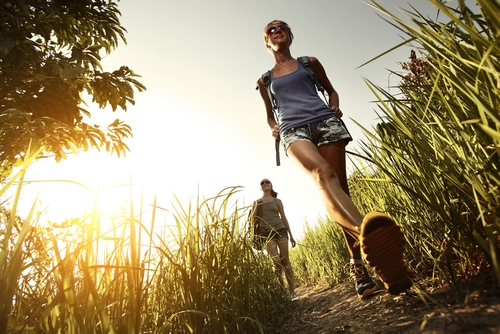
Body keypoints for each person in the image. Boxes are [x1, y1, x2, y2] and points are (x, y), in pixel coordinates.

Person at [256, 20, 413, 300]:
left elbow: (331, 90)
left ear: (290, 36)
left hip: (326, 122)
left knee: (341, 189)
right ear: (266, 43)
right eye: (271, 30)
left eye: (282, 28)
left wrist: (334, 104)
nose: (277, 31)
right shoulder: (265, 81)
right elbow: (270, 113)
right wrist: (273, 126)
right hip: (293, 130)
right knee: (322, 174)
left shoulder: (309, 62)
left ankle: (361, 272)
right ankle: (368, 234)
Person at [250, 178, 299, 302]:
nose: (265, 184)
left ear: (271, 186)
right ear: (260, 187)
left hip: (280, 230)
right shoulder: (256, 201)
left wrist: (291, 235)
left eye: (267, 182)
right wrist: (257, 206)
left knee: (285, 260)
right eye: (262, 183)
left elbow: (283, 217)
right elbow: (252, 219)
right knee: (276, 261)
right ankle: (282, 290)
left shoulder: (277, 201)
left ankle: (292, 292)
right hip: (266, 233)